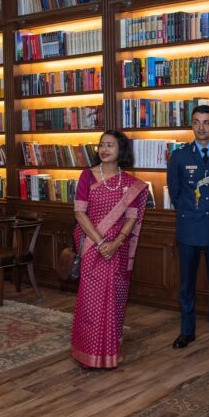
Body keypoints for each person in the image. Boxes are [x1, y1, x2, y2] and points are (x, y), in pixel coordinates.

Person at [70, 130, 149, 369]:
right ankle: (89, 354)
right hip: (92, 247)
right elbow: (79, 213)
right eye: (102, 145)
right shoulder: (87, 176)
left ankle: (111, 351)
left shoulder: (130, 183)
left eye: (110, 145)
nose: (104, 149)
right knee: (91, 302)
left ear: (121, 150)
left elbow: (132, 217)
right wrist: (101, 243)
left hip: (118, 249)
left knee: (115, 299)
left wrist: (116, 243)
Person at [167, 105, 209, 351]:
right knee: (186, 284)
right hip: (189, 227)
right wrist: (191, 210)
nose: (201, 127)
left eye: (206, 122)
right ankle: (187, 332)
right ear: (192, 125)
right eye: (196, 122)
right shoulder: (179, 155)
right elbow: (175, 192)